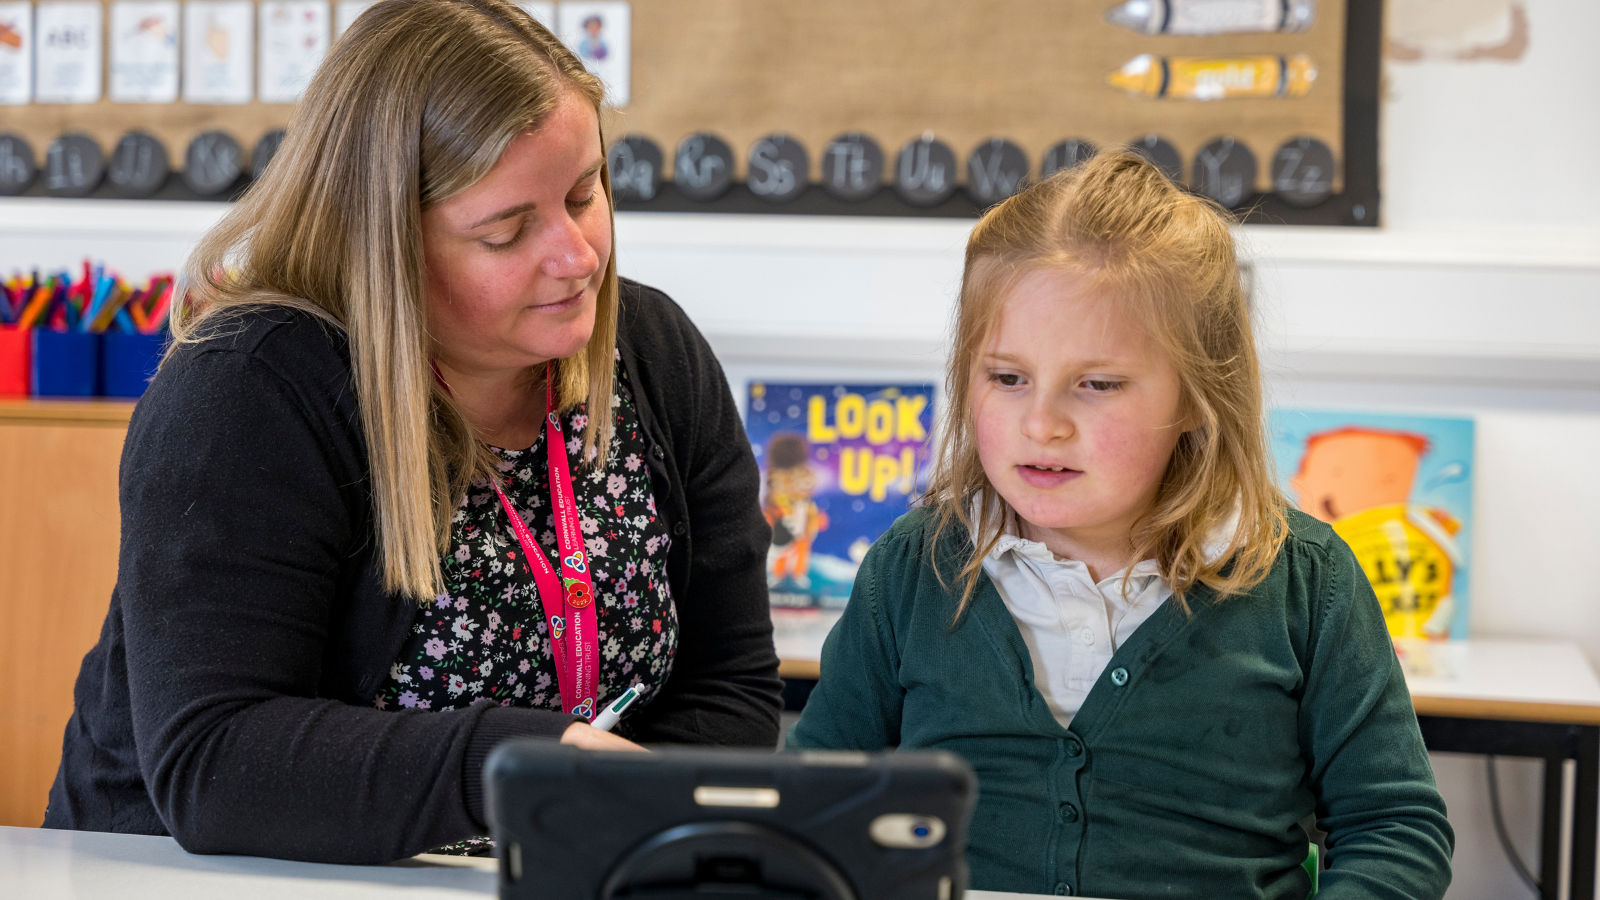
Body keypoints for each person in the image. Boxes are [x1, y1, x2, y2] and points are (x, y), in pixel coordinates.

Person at [44, 0, 781, 864]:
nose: (579, 255)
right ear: (383, 246)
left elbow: (730, 686)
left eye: (586, 194)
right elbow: (217, 760)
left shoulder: (654, 354)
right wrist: (509, 769)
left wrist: (618, 832)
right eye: (507, 232)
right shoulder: (248, 391)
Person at [787, 152, 1454, 899]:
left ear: (1200, 395)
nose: (1042, 424)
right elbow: (817, 804)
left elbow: (1394, 829)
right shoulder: (913, 569)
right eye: (1006, 378)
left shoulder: (1306, 581)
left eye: (1096, 385)